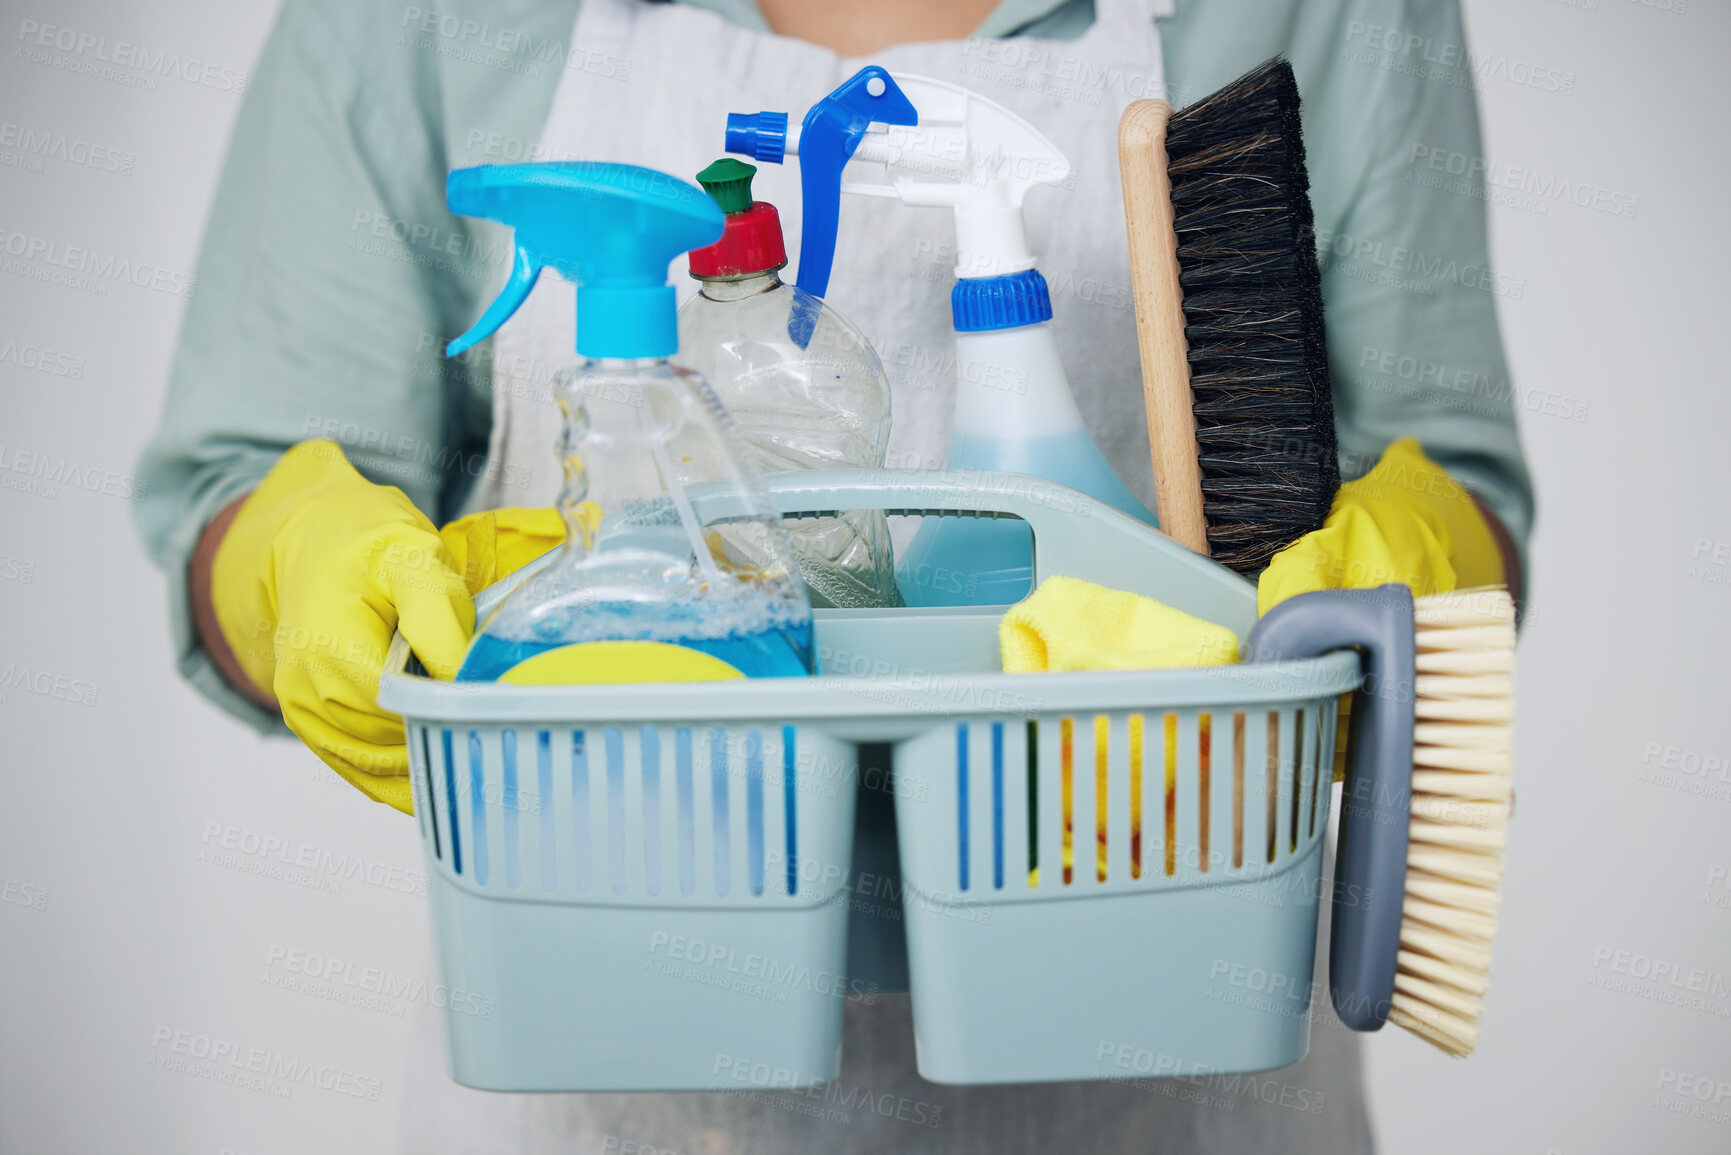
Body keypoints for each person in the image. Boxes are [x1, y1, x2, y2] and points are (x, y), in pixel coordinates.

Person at [136, 0, 1533, 1150]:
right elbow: (238, 480)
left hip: (1176, 1065)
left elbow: (1460, 471)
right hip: (606, 1075)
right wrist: (294, 565)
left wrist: (1410, 567)